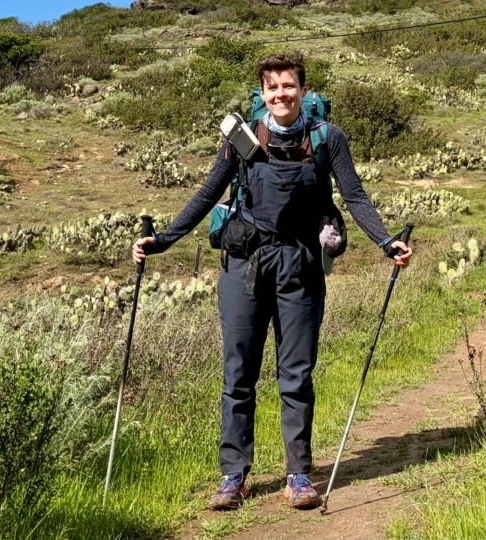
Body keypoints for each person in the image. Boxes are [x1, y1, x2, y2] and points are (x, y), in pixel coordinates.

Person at [132, 52, 413, 510]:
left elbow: (355, 195)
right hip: (244, 266)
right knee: (238, 373)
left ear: (303, 90)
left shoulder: (327, 138)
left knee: (296, 375)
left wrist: (385, 242)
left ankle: (298, 474)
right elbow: (207, 194)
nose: (281, 94)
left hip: (300, 264)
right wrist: (163, 241)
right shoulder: (243, 139)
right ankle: (233, 476)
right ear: (262, 94)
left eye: (289, 86)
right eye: (272, 88)